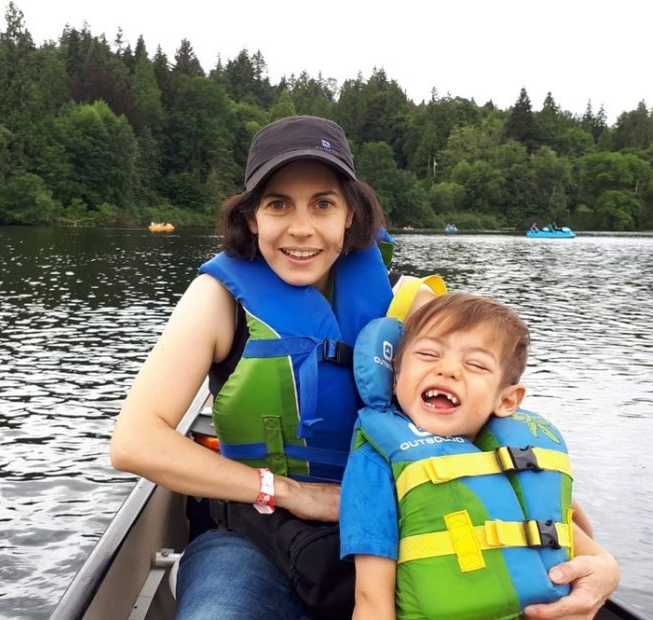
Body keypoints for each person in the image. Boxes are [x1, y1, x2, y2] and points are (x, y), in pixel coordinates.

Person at [110, 116, 618, 620]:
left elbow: (485, 422)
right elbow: (135, 442)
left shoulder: (411, 304)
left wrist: (599, 560)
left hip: (400, 534)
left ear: (350, 214)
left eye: (323, 204)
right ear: (251, 219)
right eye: (278, 204)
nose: (301, 229)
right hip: (250, 538)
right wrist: (291, 492)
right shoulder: (217, 299)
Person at [341, 293, 619, 619]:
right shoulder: (376, 463)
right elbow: (371, 600)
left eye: (475, 364)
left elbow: (570, 534)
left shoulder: (517, 456)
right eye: (429, 354)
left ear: (506, 400)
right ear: (397, 377)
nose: (447, 370)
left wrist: (606, 567)